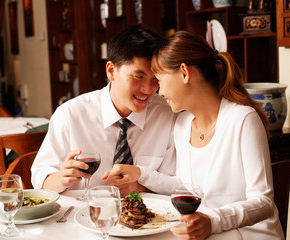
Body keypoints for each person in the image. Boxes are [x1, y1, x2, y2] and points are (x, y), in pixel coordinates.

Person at [104, 30, 284, 239]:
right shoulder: (182, 123)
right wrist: (140, 173)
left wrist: (212, 221)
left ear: (184, 73)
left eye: (160, 79)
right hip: (210, 234)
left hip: (250, 235)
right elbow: (187, 186)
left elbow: (263, 202)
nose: (158, 92)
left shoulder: (242, 120)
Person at [31, 26, 177, 196]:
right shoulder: (70, 114)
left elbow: (175, 180)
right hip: (80, 215)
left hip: (150, 218)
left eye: (155, 79)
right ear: (111, 71)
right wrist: (61, 179)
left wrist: (139, 186)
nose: (148, 89)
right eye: (138, 76)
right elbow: (41, 181)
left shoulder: (167, 115)